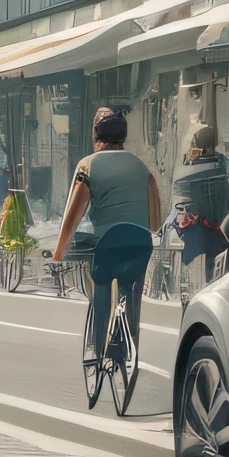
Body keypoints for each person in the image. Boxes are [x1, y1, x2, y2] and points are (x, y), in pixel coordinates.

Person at [52, 109, 164, 359]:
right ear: (123, 137)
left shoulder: (88, 165)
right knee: (131, 293)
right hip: (140, 244)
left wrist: (59, 253)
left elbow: (72, 218)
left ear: (96, 137)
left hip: (108, 245)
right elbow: (155, 218)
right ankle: (129, 349)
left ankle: (97, 349)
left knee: (101, 286)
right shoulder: (142, 167)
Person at [171, 124, 229, 283]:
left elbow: (180, 193)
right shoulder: (222, 162)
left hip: (197, 227)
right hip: (217, 227)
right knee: (214, 272)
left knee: (191, 271)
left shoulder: (191, 165)